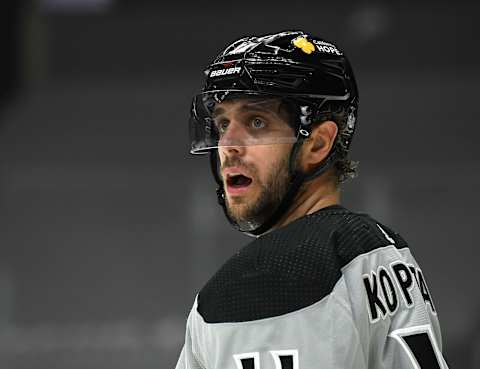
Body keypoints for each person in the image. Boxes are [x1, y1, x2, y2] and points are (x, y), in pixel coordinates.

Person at [176, 30, 449, 369]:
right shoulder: (383, 250)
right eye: (222, 124)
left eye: (256, 121)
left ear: (318, 143)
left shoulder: (276, 273)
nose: (227, 146)